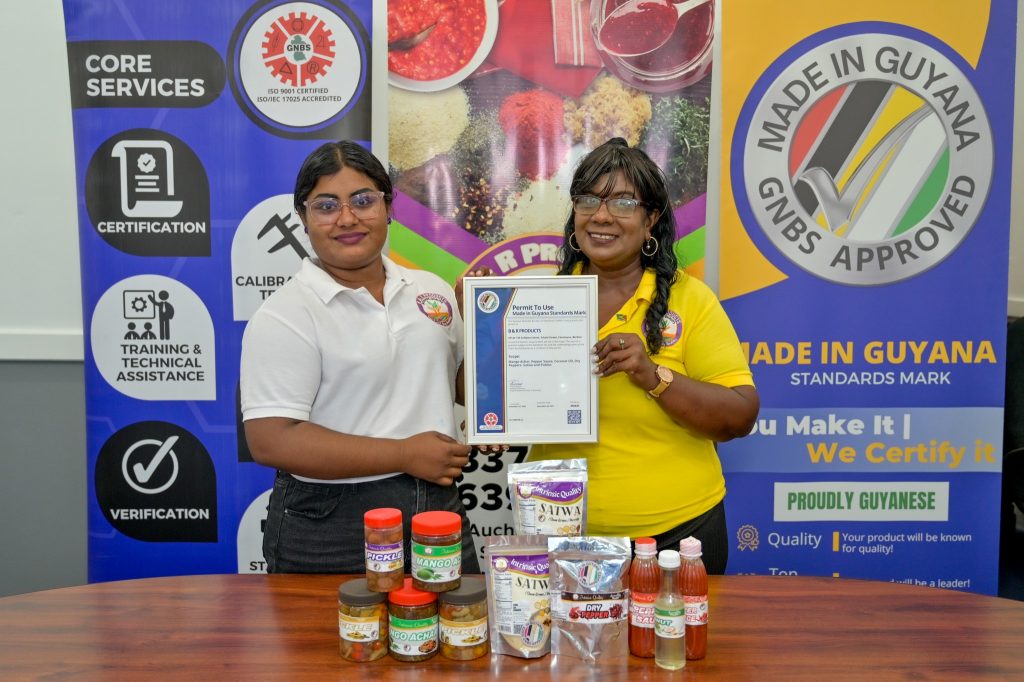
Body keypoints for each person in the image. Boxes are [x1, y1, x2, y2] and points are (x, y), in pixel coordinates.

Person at [240, 140, 481, 574]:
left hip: (436, 504)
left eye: (364, 200)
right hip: (329, 523)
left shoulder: (432, 290)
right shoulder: (287, 313)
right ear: (303, 217)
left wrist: (482, 330)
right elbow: (271, 439)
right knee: (336, 643)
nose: (347, 218)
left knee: (456, 636)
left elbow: (458, 386)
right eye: (326, 205)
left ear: (389, 206)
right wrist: (405, 454)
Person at [528, 138, 759, 574]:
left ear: (651, 220)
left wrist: (653, 376)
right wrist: (481, 331)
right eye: (588, 199)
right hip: (559, 534)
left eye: (622, 202)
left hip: (679, 535)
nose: (600, 215)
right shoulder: (538, 297)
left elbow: (740, 416)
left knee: (678, 646)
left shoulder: (691, 300)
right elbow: (482, 397)